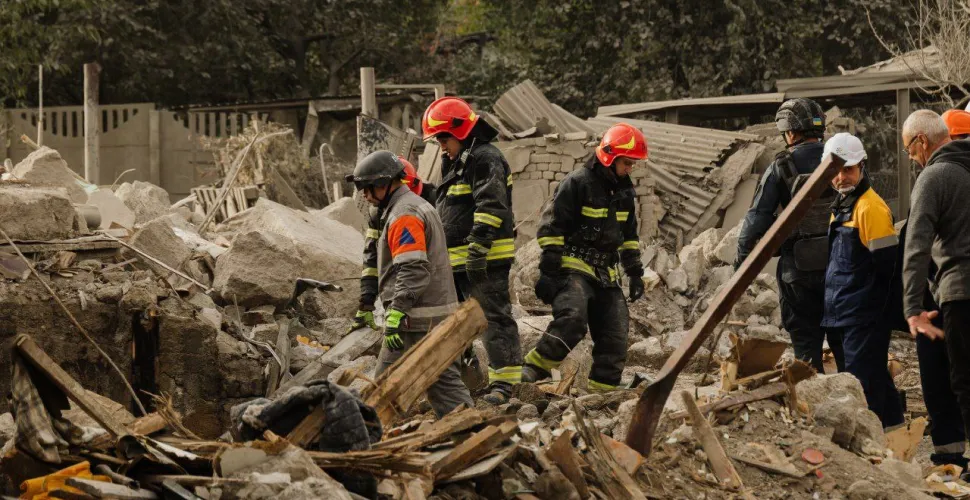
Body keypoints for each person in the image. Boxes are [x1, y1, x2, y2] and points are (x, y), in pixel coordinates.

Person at [345, 150, 473, 417]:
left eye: (367, 189)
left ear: (384, 183)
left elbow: (413, 268)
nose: (365, 196)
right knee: (445, 387)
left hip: (414, 320)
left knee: (383, 390)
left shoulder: (404, 214)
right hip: (435, 316)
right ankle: (479, 437)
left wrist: (397, 312)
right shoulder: (414, 205)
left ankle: (364, 443)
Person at [520, 123, 647, 391]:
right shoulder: (577, 183)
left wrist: (635, 272)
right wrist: (550, 271)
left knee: (616, 331)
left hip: (606, 274)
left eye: (632, 164)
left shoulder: (625, 193)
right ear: (609, 157)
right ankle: (531, 370)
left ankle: (603, 392)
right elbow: (551, 228)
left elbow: (629, 236)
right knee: (573, 319)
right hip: (574, 267)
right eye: (626, 163)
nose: (630, 169)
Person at [422, 97, 522, 405]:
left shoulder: (485, 157)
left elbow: (490, 204)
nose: (440, 144)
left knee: (494, 318)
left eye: (443, 137)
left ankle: (505, 386)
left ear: (461, 130)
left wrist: (478, 248)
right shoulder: (457, 160)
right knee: (456, 323)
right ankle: (469, 381)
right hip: (459, 261)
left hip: (485, 258)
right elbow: (451, 208)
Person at [736, 98, 844, 373]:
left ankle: (813, 407)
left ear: (791, 132)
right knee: (846, 348)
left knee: (806, 353)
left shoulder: (780, 167)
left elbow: (755, 222)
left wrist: (742, 265)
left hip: (798, 275)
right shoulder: (842, 161)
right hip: (840, 270)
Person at [818, 133, 903, 428]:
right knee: (872, 376)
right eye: (836, 171)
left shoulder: (871, 208)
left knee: (861, 384)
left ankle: (873, 445)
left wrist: (873, 313)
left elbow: (888, 268)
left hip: (862, 315)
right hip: (842, 313)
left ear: (862, 166)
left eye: (848, 169)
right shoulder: (843, 206)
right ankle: (894, 432)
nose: (841, 177)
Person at [902, 109, 970, 453]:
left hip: (961, 292)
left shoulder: (934, 177)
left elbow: (916, 247)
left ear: (922, 141)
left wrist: (912, 308)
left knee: (963, 382)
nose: (914, 160)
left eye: (911, 152)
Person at [350, 157, 435, 333]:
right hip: (405, 294)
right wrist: (366, 302)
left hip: (430, 293)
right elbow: (372, 259)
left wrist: (397, 310)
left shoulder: (422, 205)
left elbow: (414, 266)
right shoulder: (379, 212)